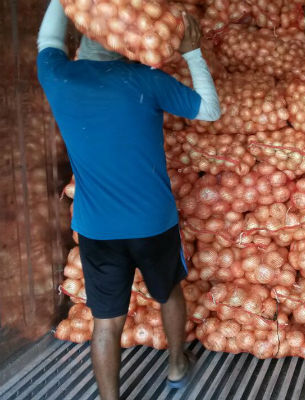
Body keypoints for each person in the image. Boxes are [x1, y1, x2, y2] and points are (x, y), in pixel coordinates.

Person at [36, 1, 221, 399]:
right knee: (168, 292)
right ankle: (176, 366)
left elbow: (47, 39)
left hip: (96, 229)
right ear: (126, 42)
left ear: (84, 37)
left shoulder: (59, 76)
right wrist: (192, 50)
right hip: (152, 222)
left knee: (106, 322)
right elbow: (209, 110)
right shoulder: (144, 79)